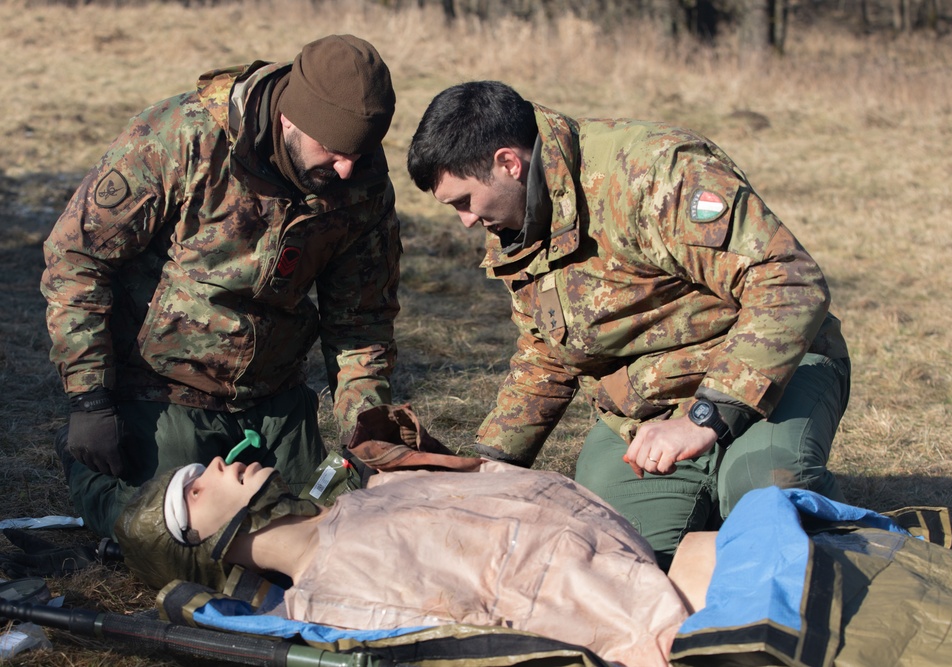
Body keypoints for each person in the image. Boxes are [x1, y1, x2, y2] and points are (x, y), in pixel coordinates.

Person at [405, 81, 852, 568]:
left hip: (778, 368)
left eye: (464, 202)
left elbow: (788, 281)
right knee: (618, 557)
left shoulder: (652, 171)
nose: (466, 222)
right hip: (650, 406)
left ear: (508, 163)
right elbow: (548, 349)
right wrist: (493, 463)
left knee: (766, 493)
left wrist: (706, 417)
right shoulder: (516, 221)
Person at [40, 34, 402, 539]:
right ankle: (97, 466)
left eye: (359, 155)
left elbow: (361, 319)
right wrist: (91, 401)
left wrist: (367, 434)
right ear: (288, 121)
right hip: (164, 384)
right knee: (171, 531)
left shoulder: (360, 183)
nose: (346, 169)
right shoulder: (182, 138)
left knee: (337, 523)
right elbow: (77, 257)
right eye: (334, 151)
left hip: (275, 394)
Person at [116, 456, 693, 667]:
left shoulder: (371, 491)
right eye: (190, 491)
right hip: (650, 624)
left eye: (199, 468)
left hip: (636, 563)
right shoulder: (333, 602)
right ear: (204, 551)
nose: (215, 465)